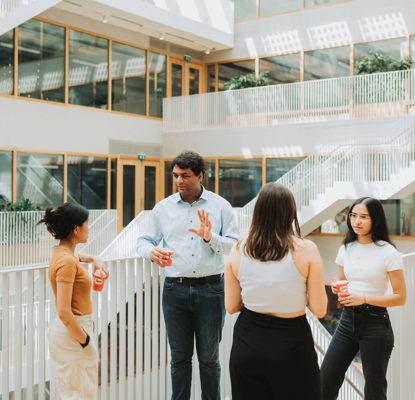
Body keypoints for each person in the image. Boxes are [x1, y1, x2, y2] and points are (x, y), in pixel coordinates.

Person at [136, 151, 239, 400]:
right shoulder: (162, 208)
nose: (179, 180)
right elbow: (142, 241)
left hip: (211, 290)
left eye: (185, 175)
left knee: (209, 359)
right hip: (175, 290)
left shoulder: (220, 206)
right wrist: (152, 251)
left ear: (200, 175)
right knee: (179, 360)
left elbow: (235, 245)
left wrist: (209, 237)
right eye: (175, 175)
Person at [225, 182, 327, 400]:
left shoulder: (237, 250)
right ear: (290, 213)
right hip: (291, 346)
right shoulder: (307, 250)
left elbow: (232, 306)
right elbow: (319, 308)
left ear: (258, 212)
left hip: (248, 344)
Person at [320, 197, 406, 400]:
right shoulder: (345, 249)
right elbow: (344, 284)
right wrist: (337, 289)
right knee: (325, 380)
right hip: (347, 321)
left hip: (376, 324)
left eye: (363, 217)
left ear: (375, 220)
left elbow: (400, 297)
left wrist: (364, 298)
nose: (356, 221)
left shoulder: (388, 252)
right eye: (353, 216)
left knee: (374, 390)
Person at [38, 202, 108, 399]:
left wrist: (95, 258)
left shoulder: (64, 254)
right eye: (87, 224)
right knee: (78, 394)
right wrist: (85, 341)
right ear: (76, 229)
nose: (89, 228)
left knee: (76, 391)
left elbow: (77, 258)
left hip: (72, 331)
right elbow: (63, 311)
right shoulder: (67, 261)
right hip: (73, 333)